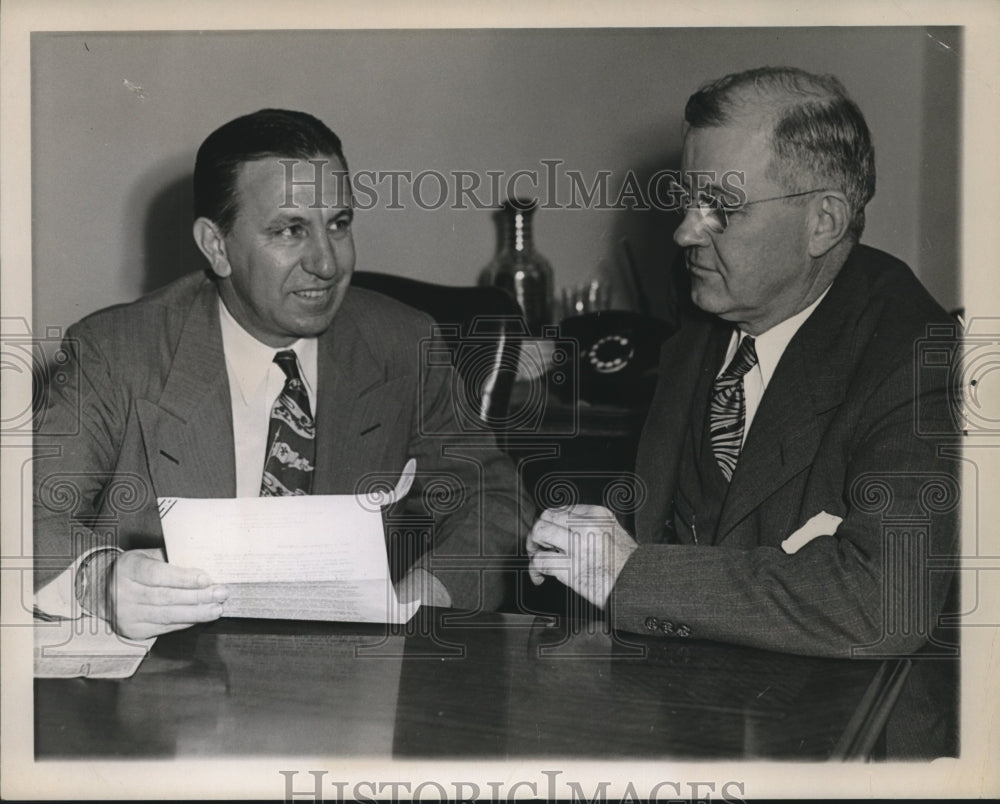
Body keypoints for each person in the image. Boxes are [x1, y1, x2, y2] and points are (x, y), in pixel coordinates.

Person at [527, 67, 959, 756]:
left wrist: (631, 573)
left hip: (851, 747)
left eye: (721, 208)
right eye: (685, 201)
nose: (685, 234)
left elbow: (888, 602)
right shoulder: (707, 312)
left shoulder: (916, 357)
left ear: (823, 221)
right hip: (692, 720)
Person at [33, 108, 532, 639]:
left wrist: (424, 594)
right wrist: (100, 579)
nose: (327, 262)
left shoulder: (401, 343)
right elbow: (23, 514)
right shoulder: (115, 352)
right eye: (290, 230)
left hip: (345, 686)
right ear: (217, 246)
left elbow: (494, 497)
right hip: (174, 682)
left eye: (338, 225)